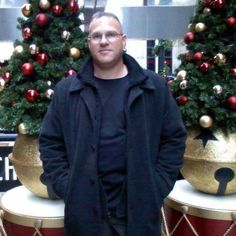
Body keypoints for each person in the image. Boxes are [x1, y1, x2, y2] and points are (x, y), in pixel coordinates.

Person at [39, 11, 187, 236]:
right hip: (86, 211)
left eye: (111, 34)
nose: (104, 41)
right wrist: (69, 186)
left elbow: (174, 138)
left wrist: (156, 185)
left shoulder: (153, 87)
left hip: (138, 209)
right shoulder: (67, 91)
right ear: (89, 43)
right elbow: (50, 143)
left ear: (123, 40)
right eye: (96, 36)